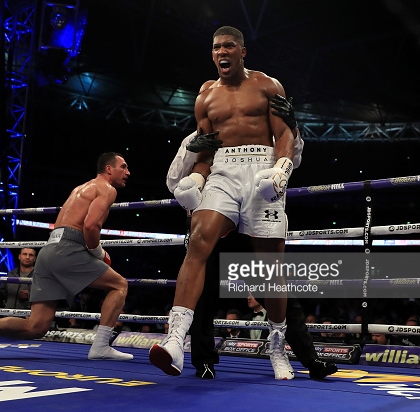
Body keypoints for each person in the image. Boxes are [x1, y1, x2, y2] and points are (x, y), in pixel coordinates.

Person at [150, 25, 297, 380]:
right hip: (224, 171)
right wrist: (197, 178)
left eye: (229, 46)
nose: (222, 52)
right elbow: (205, 152)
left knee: (269, 273)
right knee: (199, 239)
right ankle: (174, 340)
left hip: (263, 168)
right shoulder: (205, 98)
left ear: (242, 51)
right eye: (216, 47)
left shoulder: (267, 85)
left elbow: (285, 133)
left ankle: (277, 345)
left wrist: (282, 168)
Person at [0, 152, 133, 361]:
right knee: (120, 285)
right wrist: (98, 252)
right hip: (67, 249)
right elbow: (91, 225)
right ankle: (101, 346)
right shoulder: (106, 189)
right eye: (124, 167)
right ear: (109, 169)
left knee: (37, 326)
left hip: (49, 251)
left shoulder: (81, 188)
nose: (128, 172)